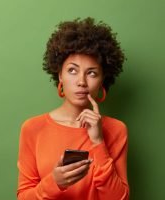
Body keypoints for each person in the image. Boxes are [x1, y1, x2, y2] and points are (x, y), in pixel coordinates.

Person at [16, 17, 129, 200]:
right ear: (60, 75)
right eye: (72, 70)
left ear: (102, 80)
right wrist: (55, 182)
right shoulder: (32, 128)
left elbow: (119, 198)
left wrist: (98, 141)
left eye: (91, 73)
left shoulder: (116, 130)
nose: (81, 82)